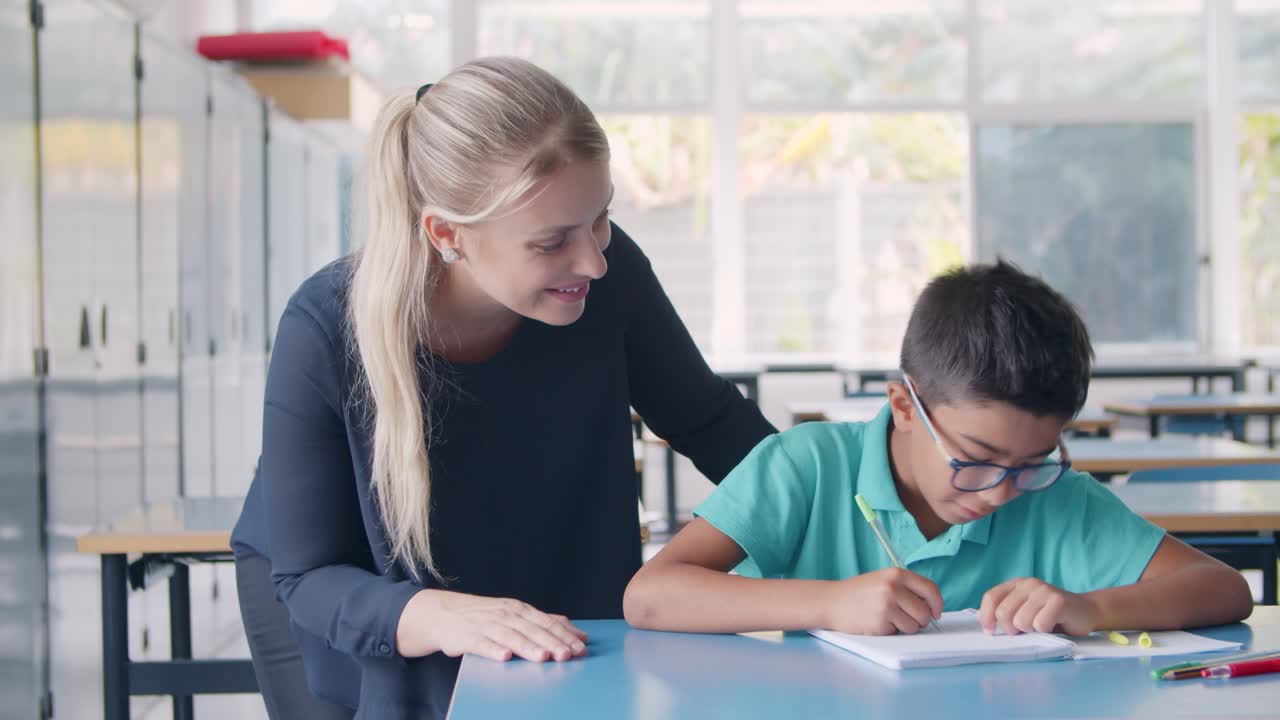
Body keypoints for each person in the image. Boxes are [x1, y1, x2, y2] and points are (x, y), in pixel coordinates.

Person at [230, 56, 775, 719]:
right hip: (354, 598)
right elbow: (310, 575)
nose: (593, 259)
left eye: (600, 218)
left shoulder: (606, 274)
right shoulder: (325, 326)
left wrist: (845, 503)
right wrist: (441, 615)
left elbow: (710, 421)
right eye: (552, 243)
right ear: (447, 234)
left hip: (537, 554)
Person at [623, 260, 1253, 638]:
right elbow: (651, 596)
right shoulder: (806, 465)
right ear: (905, 406)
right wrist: (831, 603)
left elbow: (1224, 588)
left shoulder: (1058, 501)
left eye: (1031, 463)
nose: (1002, 490)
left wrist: (1092, 608)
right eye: (975, 458)